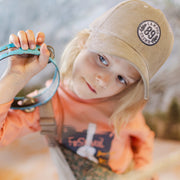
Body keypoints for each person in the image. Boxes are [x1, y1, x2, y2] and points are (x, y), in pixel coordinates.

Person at [0, 0, 174, 177]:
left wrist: (143, 172)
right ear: (83, 42)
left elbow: (143, 139)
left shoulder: (122, 109)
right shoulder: (48, 104)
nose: (103, 81)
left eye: (121, 78)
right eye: (102, 59)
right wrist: (13, 78)